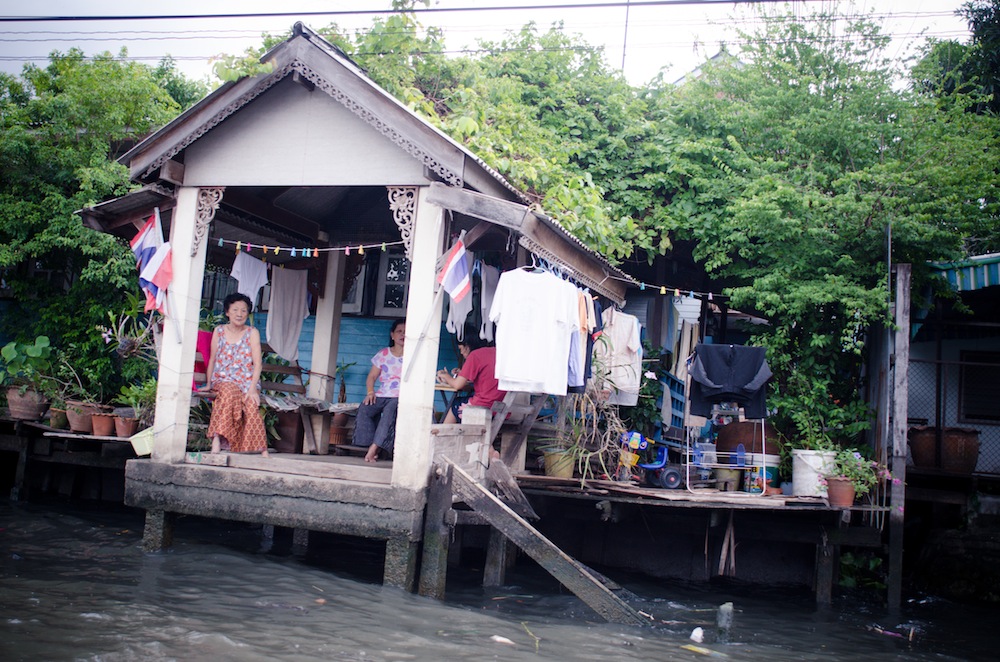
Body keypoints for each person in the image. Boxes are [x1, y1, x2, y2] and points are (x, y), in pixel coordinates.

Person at [203, 293, 268, 457]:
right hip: (223, 380)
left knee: (251, 404)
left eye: (244, 311)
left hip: (247, 382)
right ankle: (217, 439)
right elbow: (212, 359)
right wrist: (209, 383)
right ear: (227, 312)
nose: (240, 314)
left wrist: (253, 389)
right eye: (235, 310)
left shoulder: (252, 332)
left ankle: (261, 449)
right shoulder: (219, 331)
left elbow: (258, 364)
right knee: (229, 393)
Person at [353, 319, 405, 463]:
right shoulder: (383, 354)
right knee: (365, 408)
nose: (402, 335)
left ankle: (374, 449)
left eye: (406, 332)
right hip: (383, 394)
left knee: (389, 412)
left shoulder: (413, 356)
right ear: (392, 335)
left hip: (400, 396)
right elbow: (372, 377)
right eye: (399, 331)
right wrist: (370, 392)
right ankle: (368, 444)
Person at [436, 336, 506, 425]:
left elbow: (457, 385)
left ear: (467, 346)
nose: (461, 352)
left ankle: (443, 435)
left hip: (483, 406)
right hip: (501, 409)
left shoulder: (475, 355)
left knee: (456, 403)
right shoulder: (498, 354)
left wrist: (445, 376)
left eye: (461, 349)